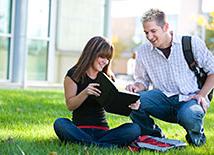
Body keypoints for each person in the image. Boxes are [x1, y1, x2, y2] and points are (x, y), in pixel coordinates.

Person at [126, 8, 214, 147]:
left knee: (190, 115)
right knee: (131, 102)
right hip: (163, 100)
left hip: (189, 99)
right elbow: (142, 81)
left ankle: (196, 137)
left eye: (153, 31)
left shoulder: (191, 43)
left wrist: (202, 94)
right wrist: (136, 87)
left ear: (166, 27)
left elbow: (212, 71)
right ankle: (154, 137)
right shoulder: (143, 51)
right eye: (146, 32)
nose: (149, 36)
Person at [53, 36, 141, 148]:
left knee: (134, 129)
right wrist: (85, 93)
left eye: (108, 58)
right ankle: (105, 146)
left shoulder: (107, 77)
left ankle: (91, 144)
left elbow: (113, 104)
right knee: (60, 123)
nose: (105, 61)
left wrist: (130, 105)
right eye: (102, 57)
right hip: (80, 130)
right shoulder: (74, 74)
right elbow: (70, 105)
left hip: (103, 132)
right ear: (91, 54)